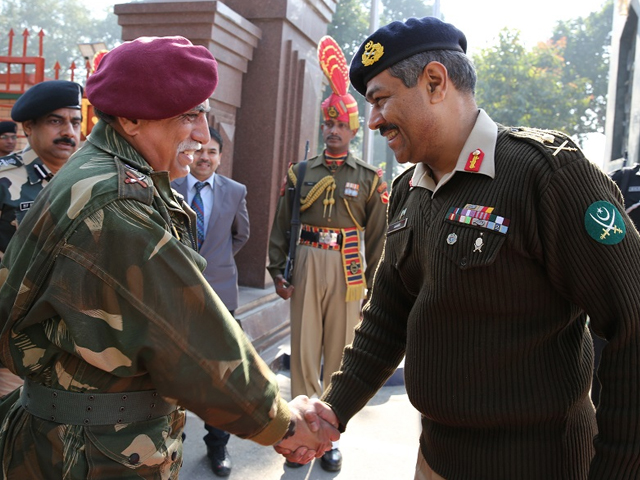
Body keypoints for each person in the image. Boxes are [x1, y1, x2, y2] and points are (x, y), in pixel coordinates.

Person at [282, 17, 640, 479]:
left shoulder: (546, 175)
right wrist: (333, 410)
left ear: (434, 82)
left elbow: (632, 321)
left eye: (381, 99)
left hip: (537, 466)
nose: (372, 120)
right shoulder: (410, 190)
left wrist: (618, 470)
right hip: (435, 460)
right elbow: (387, 316)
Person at [0, 35, 338, 479]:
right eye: (188, 115)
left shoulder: (107, 173)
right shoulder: (116, 203)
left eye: (203, 112)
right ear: (132, 118)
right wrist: (282, 422)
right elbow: (191, 338)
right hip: (91, 455)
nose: (202, 134)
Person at [267, 35, 388, 472]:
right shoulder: (300, 173)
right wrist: (277, 270)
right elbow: (281, 223)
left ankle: (330, 438)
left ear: (354, 130)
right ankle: (297, 435)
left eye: (341, 125)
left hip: (349, 266)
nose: (333, 130)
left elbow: (377, 238)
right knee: (302, 352)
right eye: (328, 124)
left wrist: (373, 286)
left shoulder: (370, 178)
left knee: (339, 354)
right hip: (307, 258)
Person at [171, 126, 249, 477]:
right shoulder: (168, 186)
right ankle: (172, 442)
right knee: (174, 372)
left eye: (212, 151)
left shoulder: (235, 191)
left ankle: (218, 447)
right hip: (175, 294)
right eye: (199, 150)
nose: (205, 157)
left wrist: (214, 264)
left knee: (222, 374)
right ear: (189, 152)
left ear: (220, 156)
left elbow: (241, 234)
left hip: (221, 296)